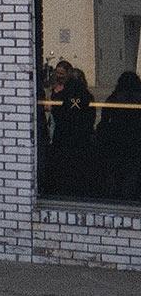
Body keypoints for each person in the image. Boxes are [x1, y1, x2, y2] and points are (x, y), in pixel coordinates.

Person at [46, 60, 96, 196]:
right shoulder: (85, 95)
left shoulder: (67, 93)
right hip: (77, 138)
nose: (59, 76)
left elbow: (61, 112)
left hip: (65, 137)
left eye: (62, 73)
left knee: (65, 168)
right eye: (57, 73)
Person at [94, 70, 141, 201]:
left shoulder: (114, 98)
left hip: (115, 142)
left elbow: (104, 121)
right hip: (135, 142)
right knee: (132, 174)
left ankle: (115, 197)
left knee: (114, 173)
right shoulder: (138, 99)